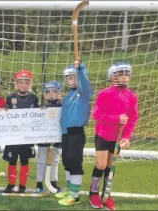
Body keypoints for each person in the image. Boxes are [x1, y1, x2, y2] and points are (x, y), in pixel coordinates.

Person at [88, 62, 139, 210]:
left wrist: (126, 137)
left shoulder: (131, 96)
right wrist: (116, 118)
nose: (124, 77)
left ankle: (106, 194)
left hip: (118, 138)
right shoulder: (104, 93)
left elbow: (133, 119)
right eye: (121, 74)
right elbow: (97, 115)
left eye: (127, 74)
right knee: (101, 165)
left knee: (110, 167)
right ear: (112, 77)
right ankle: (93, 194)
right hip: (103, 135)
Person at [55, 60, 94, 206]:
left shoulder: (83, 93)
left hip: (76, 133)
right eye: (68, 78)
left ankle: (75, 195)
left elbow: (86, 85)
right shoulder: (69, 95)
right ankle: (69, 189)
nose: (70, 80)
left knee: (75, 162)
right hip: (65, 133)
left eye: (73, 77)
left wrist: (81, 69)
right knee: (67, 162)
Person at [3, 70, 38, 194]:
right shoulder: (10, 97)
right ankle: (11, 184)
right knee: (12, 160)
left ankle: (22, 185)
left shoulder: (34, 98)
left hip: (27, 137)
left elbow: (38, 115)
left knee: (25, 161)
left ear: (30, 84)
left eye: (26, 82)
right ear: (16, 83)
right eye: (20, 82)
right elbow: (4, 114)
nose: (23, 85)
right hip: (13, 136)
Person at [36, 81, 63, 193]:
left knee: (55, 160)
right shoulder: (41, 107)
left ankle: (53, 182)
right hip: (43, 138)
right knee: (42, 159)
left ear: (60, 93)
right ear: (44, 94)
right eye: (48, 92)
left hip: (57, 138)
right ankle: (39, 183)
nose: (51, 94)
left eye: (55, 92)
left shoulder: (63, 106)